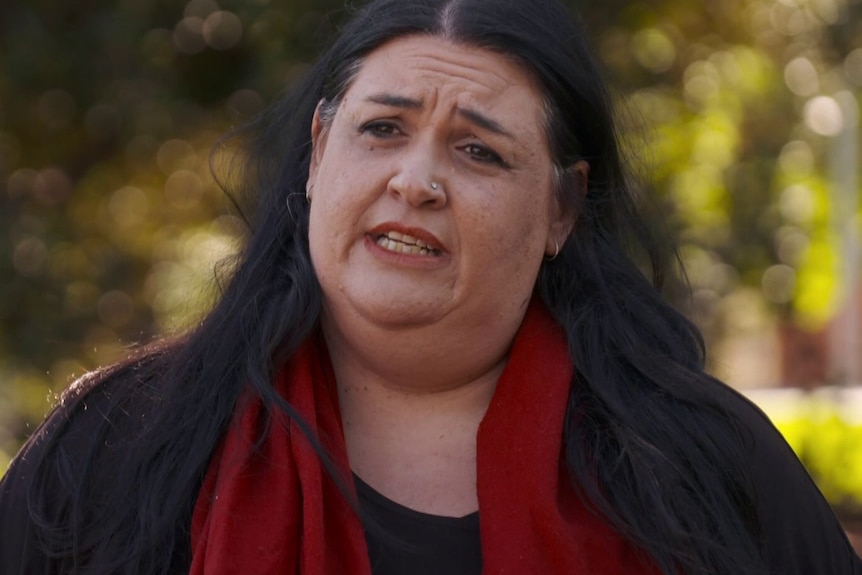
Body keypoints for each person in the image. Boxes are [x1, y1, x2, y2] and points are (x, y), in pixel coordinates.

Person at [1, 0, 861, 573]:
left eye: (479, 150)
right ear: (315, 155)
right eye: (383, 129)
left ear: (562, 208)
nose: (417, 180)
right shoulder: (119, 447)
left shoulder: (707, 465)